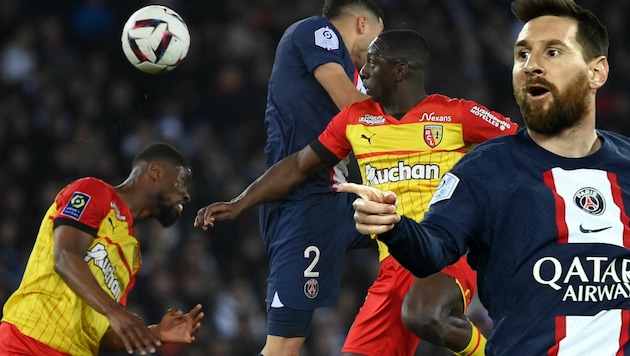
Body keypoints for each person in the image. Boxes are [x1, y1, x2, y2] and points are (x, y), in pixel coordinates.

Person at [196, 29, 518, 355]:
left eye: (372, 63)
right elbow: (299, 166)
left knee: (423, 314)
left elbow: (524, 147)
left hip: (447, 252)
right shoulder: (356, 120)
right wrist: (240, 202)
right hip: (393, 266)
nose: (362, 72)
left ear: (400, 70)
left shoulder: (455, 114)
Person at [339, 0, 624, 354]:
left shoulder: (623, 168)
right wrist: (393, 224)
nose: (532, 65)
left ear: (597, 72)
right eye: (521, 54)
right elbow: (433, 250)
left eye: (553, 52)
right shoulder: (483, 169)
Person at [197, 1, 383, 355]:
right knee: (284, 347)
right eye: (380, 37)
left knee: (432, 226)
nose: (379, 52)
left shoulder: (355, 76)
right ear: (362, 23)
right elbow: (352, 109)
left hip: (338, 198)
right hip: (303, 204)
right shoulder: (316, 32)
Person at [0, 142, 204, 356]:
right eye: (182, 181)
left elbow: (101, 332)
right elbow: (65, 257)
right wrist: (115, 311)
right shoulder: (94, 191)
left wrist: (155, 333)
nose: (187, 195)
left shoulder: (132, 255)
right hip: (26, 341)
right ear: (156, 172)